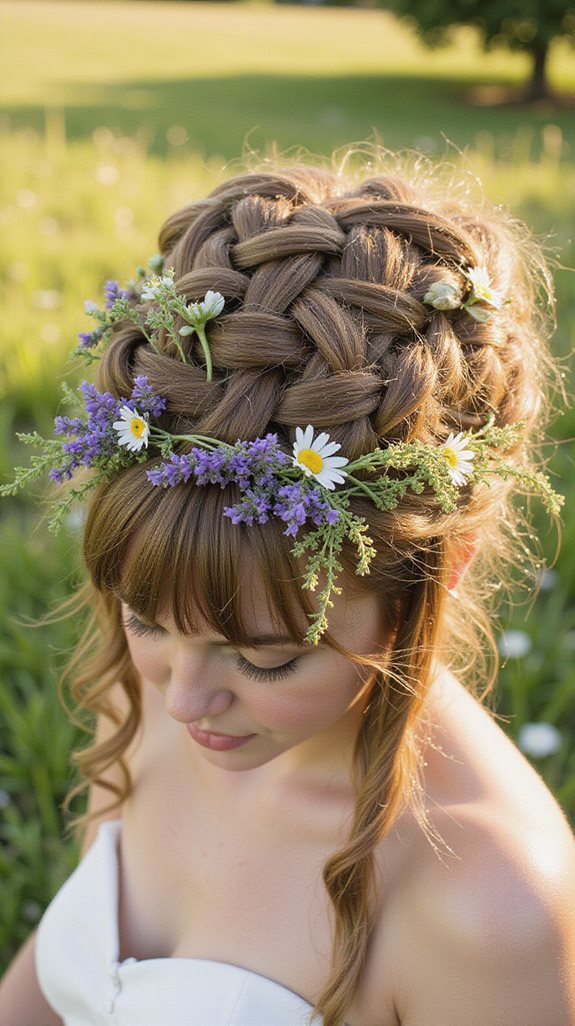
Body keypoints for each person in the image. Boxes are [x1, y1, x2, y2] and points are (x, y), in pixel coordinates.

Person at [1, 154, 574, 1026]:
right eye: (145, 619)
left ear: (439, 572)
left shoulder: (490, 910)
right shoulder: (172, 695)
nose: (182, 696)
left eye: (266, 659)